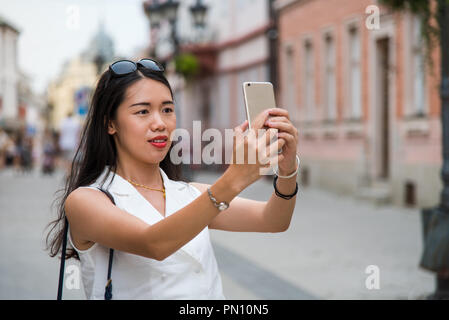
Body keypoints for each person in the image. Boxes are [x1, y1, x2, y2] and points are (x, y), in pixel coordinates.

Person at [45, 58, 299, 300]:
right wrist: (233, 179)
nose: (160, 123)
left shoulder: (188, 193)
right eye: (143, 111)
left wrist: (287, 170)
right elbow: (154, 243)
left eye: (167, 109)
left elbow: (273, 219)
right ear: (110, 124)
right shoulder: (86, 201)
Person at [58, 111, 81, 176]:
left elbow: (61, 133)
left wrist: (59, 142)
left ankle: (67, 171)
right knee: (71, 159)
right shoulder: (75, 122)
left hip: (64, 143)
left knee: (65, 158)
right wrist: (78, 142)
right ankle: (69, 171)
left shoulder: (63, 122)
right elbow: (78, 134)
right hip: (73, 143)